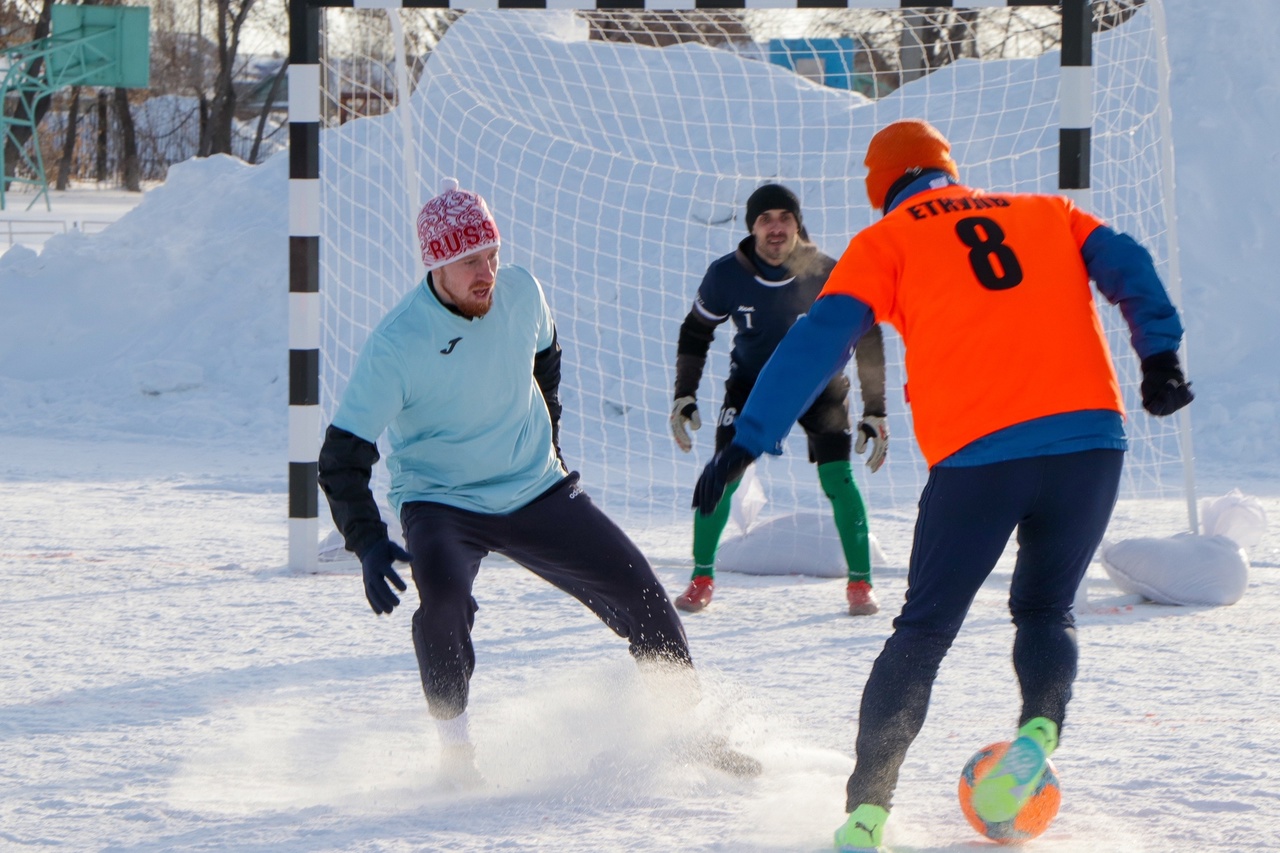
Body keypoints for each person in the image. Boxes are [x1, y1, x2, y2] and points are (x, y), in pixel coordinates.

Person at [691, 120, 1194, 852]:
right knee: (1046, 608)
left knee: (923, 633)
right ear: (946, 168)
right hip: (1091, 440)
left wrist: (748, 439)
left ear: (881, 185)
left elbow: (819, 338)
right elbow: (1128, 262)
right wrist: (1160, 356)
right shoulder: (1048, 211)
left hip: (980, 454)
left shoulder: (886, 240)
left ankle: (866, 816)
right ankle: (1039, 728)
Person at [319, 179, 757, 784]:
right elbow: (341, 457)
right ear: (436, 266)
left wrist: (548, 437)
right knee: (442, 602)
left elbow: (547, 357)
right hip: (442, 501)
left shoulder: (522, 291)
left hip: (536, 487)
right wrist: (367, 541)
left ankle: (689, 732)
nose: (487, 273)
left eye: (492, 255)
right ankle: (456, 757)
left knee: (645, 597)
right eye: (470, 261)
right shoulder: (397, 344)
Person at [669, 182, 890, 617]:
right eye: (765, 219)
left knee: (838, 479)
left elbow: (867, 334)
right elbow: (696, 331)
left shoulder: (825, 271)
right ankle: (701, 578)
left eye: (784, 218)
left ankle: (860, 584)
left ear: (797, 224)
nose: (775, 228)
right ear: (751, 227)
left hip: (819, 388)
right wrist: (684, 394)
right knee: (722, 475)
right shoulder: (726, 275)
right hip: (750, 386)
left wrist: (875, 410)